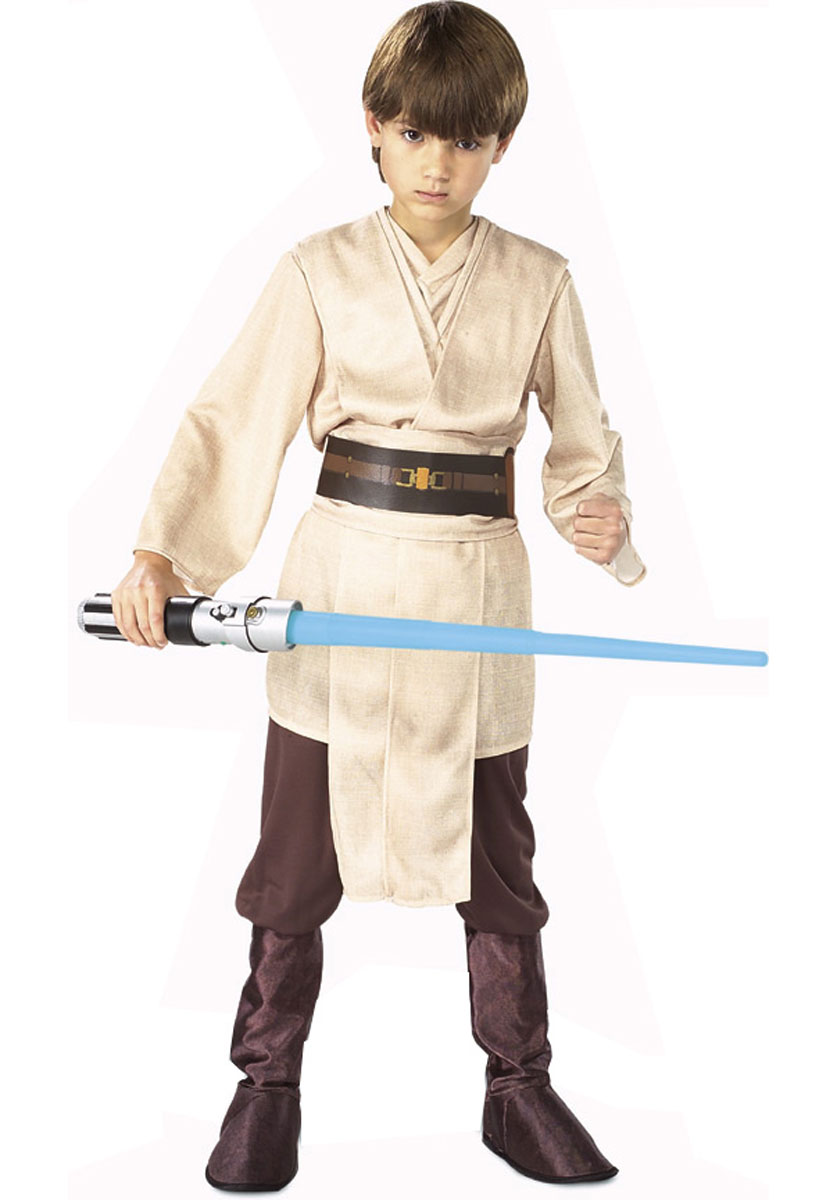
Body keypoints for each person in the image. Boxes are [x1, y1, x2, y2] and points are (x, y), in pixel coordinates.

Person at [111, 2, 647, 1191]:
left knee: (497, 854)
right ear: (372, 125)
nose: (436, 164)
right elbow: (234, 418)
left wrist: (595, 514)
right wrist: (164, 557)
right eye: (413, 135)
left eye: (464, 140)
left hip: (476, 596)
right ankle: (266, 1084)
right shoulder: (319, 270)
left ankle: (517, 1086)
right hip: (339, 587)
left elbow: (583, 447)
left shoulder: (540, 280)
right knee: (295, 851)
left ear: (501, 144)